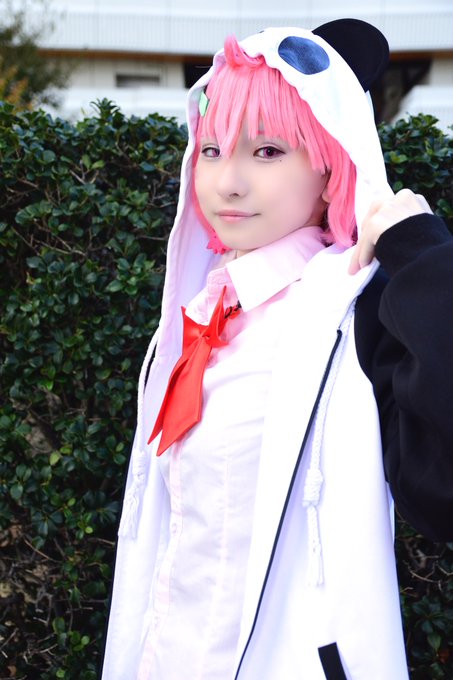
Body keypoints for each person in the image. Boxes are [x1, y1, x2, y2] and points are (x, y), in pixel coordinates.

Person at [101, 19, 453, 680]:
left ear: (330, 164)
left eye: (266, 151)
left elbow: (440, 491)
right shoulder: (198, 316)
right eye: (211, 149)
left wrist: (421, 252)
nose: (227, 182)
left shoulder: (354, 315)